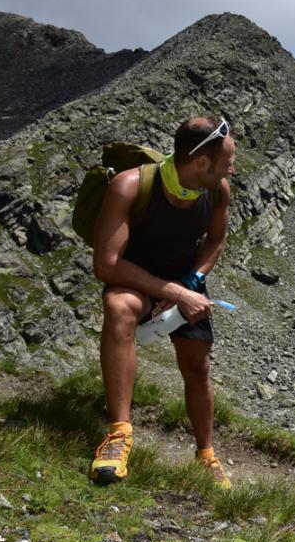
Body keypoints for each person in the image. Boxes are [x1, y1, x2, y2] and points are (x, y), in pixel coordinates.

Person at [89, 115, 235, 488]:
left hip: (185, 281)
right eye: (226, 164)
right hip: (134, 278)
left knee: (197, 364)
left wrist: (191, 282)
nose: (231, 171)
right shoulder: (130, 186)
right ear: (201, 163)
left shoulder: (217, 191)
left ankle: (206, 456)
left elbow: (215, 240)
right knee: (119, 308)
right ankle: (119, 436)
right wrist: (174, 292)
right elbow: (106, 265)